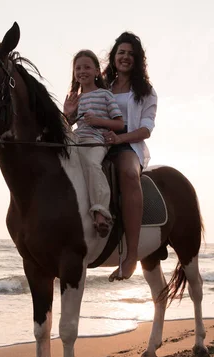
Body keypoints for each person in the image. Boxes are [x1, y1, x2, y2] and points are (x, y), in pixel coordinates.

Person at [66, 32, 157, 282]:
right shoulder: (100, 85)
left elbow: (146, 129)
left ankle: (131, 256)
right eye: (121, 53)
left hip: (127, 143)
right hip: (92, 139)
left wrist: (119, 138)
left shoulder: (145, 92)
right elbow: (78, 114)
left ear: (137, 59)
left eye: (130, 54)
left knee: (128, 174)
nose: (125, 57)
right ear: (113, 57)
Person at [64, 50, 125, 238]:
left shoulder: (105, 95)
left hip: (95, 141)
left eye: (87, 67)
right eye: (78, 68)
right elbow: (68, 125)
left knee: (91, 165)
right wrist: (67, 113)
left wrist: (99, 121)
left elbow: (120, 123)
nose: (82, 71)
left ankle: (101, 213)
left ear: (97, 71)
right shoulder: (75, 98)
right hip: (76, 140)